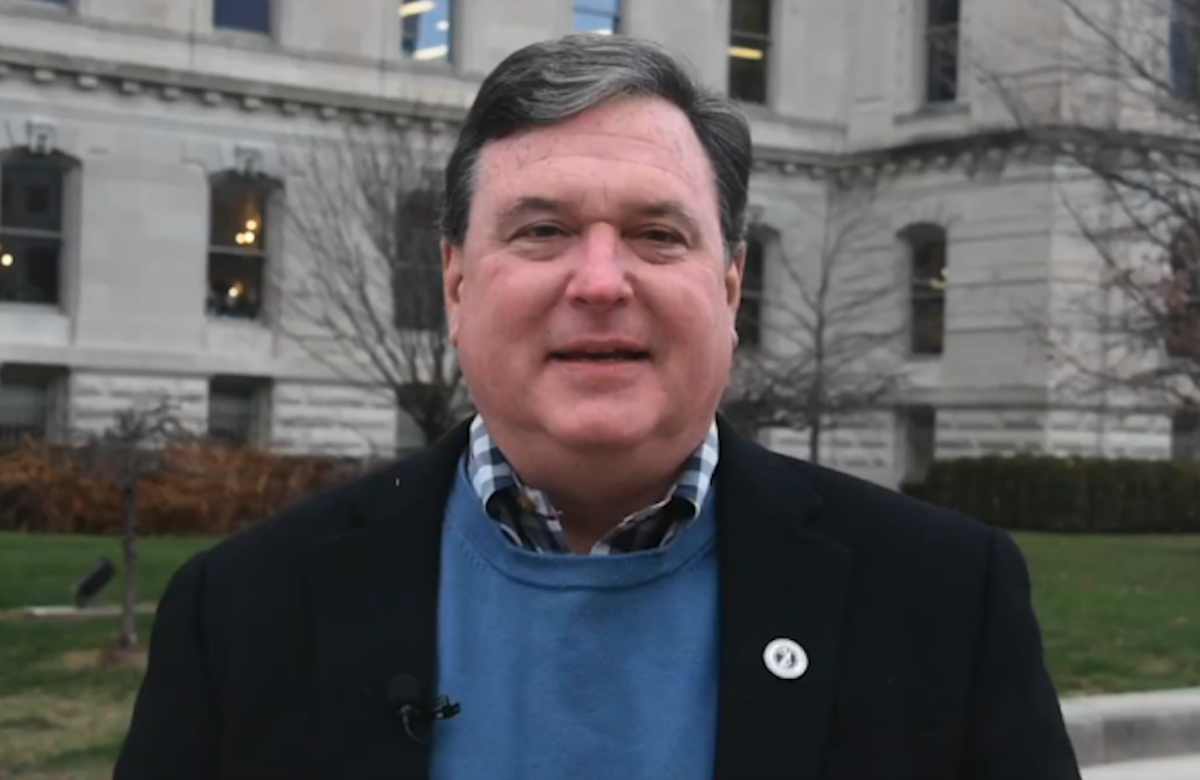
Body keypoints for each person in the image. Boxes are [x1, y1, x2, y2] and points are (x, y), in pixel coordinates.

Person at [113, 34, 1081, 780]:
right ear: (455, 282)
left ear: (732, 286)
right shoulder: (242, 616)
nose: (602, 281)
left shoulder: (947, 605)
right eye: (543, 231)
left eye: (658, 235)